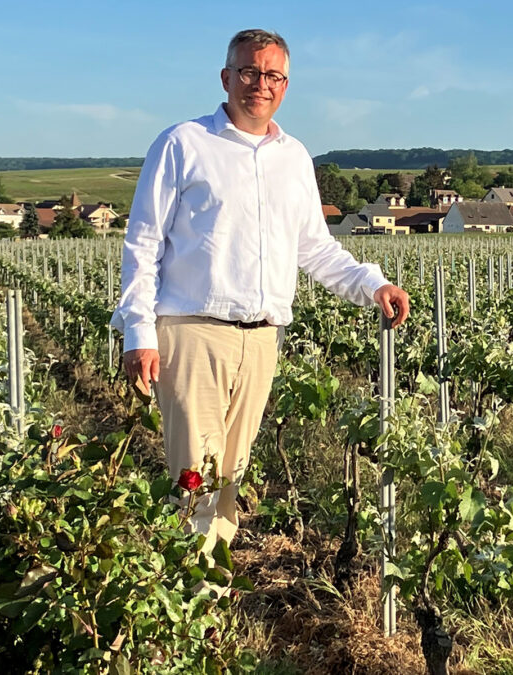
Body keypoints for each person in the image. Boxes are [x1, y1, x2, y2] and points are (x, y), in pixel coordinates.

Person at [110, 28, 409, 556]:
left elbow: (315, 248)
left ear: (286, 85)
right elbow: (143, 243)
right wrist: (138, 331)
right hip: (192, 334)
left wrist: (371, 283)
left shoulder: (293, 157)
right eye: (249, 72)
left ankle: (208, 599)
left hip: (262, 339)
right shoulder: (183, 143)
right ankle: (188, 604)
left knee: (231, 478)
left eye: (272, 75)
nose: (260, 84)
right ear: (227, 78)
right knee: (193, 479)